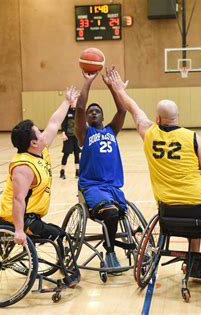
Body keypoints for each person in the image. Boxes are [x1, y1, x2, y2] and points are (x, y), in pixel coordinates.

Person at [104, 68, 201, 278]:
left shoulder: (149, 133)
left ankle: (194, 264)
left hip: (167, 210)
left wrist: (119, 89)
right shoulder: (192, 137)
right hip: (198, 207)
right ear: (177, 117)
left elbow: (134, 110)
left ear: (157, 118)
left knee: (196, 213)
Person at [0, 86, 81, 285]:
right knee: (61, 235)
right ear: (33, 142)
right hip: (21, 218)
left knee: (59, 233)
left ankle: (62, 263)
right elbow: (17, 199)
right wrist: (18, 230)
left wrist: (67, 101)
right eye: (39, 132)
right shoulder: (23, 167)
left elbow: (54, 122)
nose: (44, 133)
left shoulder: (40, 150)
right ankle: (69, 274)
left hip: (32, 215)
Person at [75, 67, 127, 270]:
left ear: (103, 116)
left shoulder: (111, 130)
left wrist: (112, 87)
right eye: (90, 112)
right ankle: (110, 251)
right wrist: (88, 81)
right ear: (87, 118)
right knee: (112, 213)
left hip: (113, 187)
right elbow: (79, 108)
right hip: (93, 187)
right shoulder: (83, 134)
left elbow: (122, 110)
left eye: (97, 111)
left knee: (118, 212)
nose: (93, 113)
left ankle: (120, 246)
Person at [59, 100, 81, 179]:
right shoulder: (67, 111)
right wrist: (63, 133)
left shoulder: (79, 111)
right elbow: (64, 123)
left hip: (77, 136)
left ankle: (77, 172)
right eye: (72, 101)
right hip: (68, 136)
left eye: (75, 101)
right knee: (66, 153)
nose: (73, 102)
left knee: (77, 154)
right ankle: (62, 171)